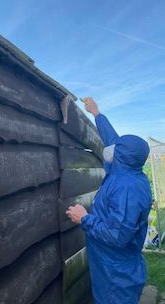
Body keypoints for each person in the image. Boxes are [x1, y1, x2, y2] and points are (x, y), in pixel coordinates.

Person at [66, 97, 152, 304]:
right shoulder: (125, 168)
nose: (111, 149)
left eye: (117, 149)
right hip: (109, 262)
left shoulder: (128, 189)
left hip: (116, 272)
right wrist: (96, 113)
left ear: (122, 156)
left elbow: (117, 235)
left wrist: (84, 218)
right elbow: (113, 139)